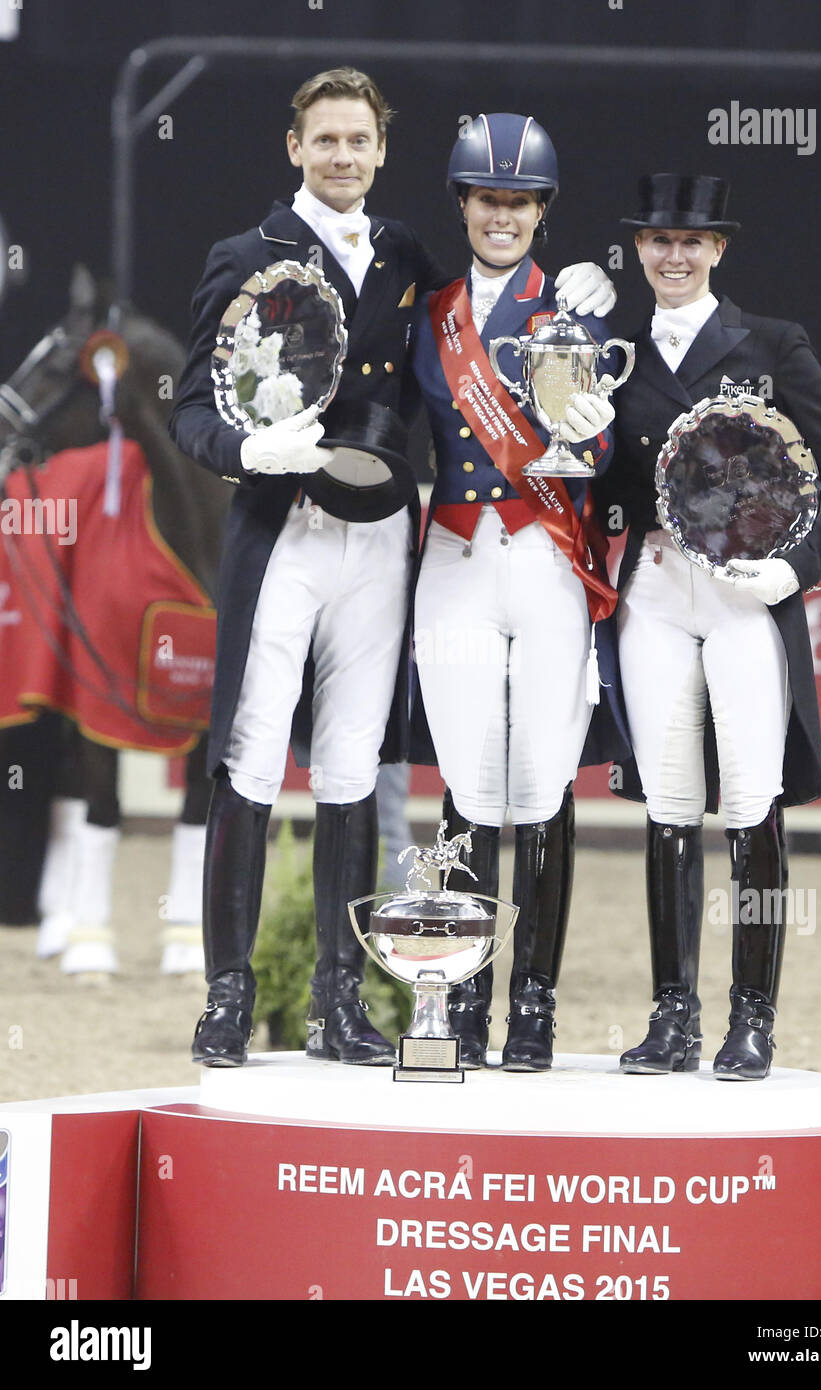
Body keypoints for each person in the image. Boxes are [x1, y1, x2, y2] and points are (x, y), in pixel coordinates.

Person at [170, 71, 615, 1068]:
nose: (341, 155)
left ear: (380, 151)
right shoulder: (245, 257)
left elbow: (508, 334)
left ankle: (341, 1003)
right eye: (323, 138)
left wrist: (585, 296)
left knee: (348, 767)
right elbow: (191, 409)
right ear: (296, 147)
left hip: (377, 536)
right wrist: (248, 455)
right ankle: (228, 997)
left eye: (358, 141)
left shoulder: (407, 257)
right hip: (282, 521)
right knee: (246, 761)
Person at [596, 174, 821, 1081]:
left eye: (691, 241)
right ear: (638, 250)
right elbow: (597, 480)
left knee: (750, 801)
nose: (674, 256)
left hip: (745, 594)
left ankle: (751, 1019)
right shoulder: (615, 351)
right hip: (658, 590)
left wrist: (793, 568)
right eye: (658, 242)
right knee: (670, 806)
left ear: (717, 249)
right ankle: (672, 1013)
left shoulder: (772, 346)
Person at [408, 114, 629, 1072]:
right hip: (456, 553)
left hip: (542, 553)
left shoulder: (576, 310)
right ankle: (458, 1001)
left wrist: (600, 429)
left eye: (519, 201)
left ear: (541, 212)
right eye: (487, 198)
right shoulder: (431, 312)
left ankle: (531, 1007)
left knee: (541, 781)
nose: (502, 215)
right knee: (466, 781)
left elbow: (602, 448)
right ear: (462, 203)